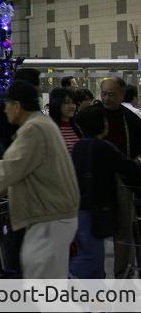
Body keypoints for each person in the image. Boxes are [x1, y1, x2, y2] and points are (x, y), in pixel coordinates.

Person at [0, 80, 79, 279]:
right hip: (52, 215)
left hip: (48, 219)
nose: (4, 109)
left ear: (17, 105)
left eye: (7, 104)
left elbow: (7, 170)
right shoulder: (43, 124)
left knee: (43, 290)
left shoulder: (33, 130)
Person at [70, 105, 141, 278]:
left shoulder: (79, 146)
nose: (107, 124)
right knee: (91, 257)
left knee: (93, 256)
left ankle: (94, 300)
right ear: (100, 124)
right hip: (95, 209)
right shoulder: (103, 147)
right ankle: (63, 280)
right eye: (105, 120)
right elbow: (128, 168)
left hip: (80, 207)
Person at [99, 77, 141, 278]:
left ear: (122, 95)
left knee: (124, 229)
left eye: (111, 94)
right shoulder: (92, 116)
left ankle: (122, 274)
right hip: (96, 180)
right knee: (93, 229)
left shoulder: (131, 120)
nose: (106, 98)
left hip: (122, 181)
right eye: (104, 94)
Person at [49, 87, 80, 153]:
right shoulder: (51, 129)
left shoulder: (76, 128)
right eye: (67, 102)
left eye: (74, 102)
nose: (72, 106)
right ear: (56, 103)